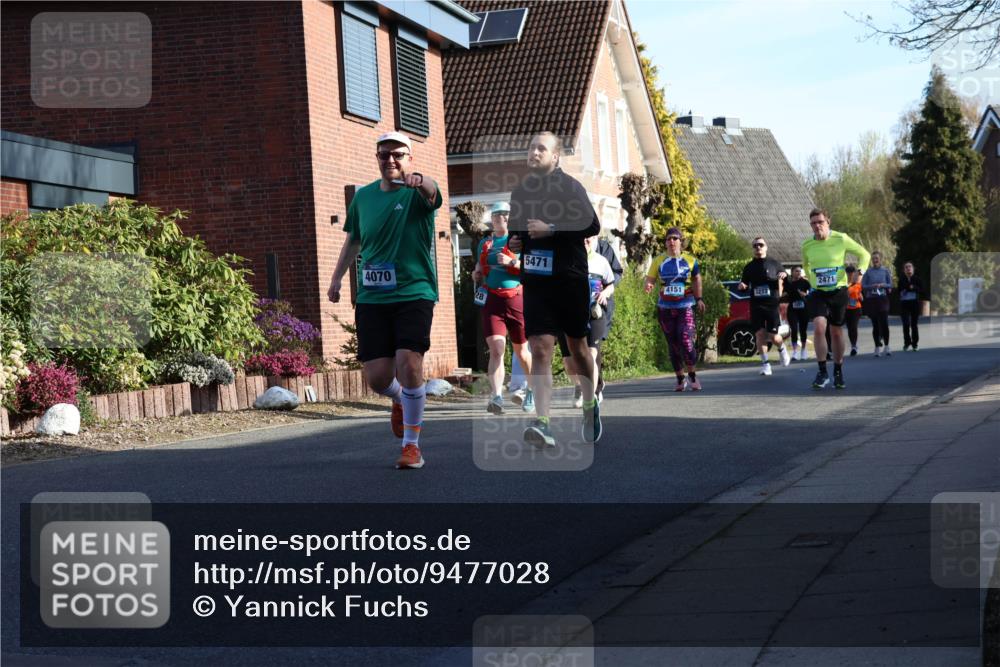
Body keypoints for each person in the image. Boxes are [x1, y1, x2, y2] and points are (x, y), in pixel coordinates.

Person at [327, 132, 442, 469]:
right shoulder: (363, 197)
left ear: (410, 158)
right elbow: (354, 240)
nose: (390, 160)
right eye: (384, 154)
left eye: (398, 154)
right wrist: (336, 279)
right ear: (377, 158)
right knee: (377, 377)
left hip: (414, 292)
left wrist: (418, 181)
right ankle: (399, 399)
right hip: (373, 296)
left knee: (409, 363)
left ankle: (411, 446)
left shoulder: (417, 194)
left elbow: (433, 192)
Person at [507, 132, 603, 447]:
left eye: (541, 148)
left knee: (577, 350)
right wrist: (515, 240)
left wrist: (553, 230)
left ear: (556, 156)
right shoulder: (521, 192)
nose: (534, 152)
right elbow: (516, 230)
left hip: (569, 278)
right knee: (540, 350)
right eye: (531, 147)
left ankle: (591, 403)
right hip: (536, 281)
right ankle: (543, 422)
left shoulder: (570, 187)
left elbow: (592, 225)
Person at [471, 201, 534, 415]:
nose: (502, 219)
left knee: (522, 351)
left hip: (516, 298)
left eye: (506, 215)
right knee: (497, 349)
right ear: (492, 219)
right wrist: (476, 273)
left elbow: (529, 266)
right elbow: (479, 266)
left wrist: (511, 262)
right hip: (492, 300)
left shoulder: (517, 241)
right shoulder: (485, 243)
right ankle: (496, 396)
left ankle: (532, 390)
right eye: (497, 215)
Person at [801, 208, 871, 390]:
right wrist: (812, 279)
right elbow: (806, 265)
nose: (817, 226)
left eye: (820, 222)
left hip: (838, 291)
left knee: (836, 332)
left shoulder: (841, 238)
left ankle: (838, 370)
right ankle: (822, 371)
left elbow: (865, 254)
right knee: (818, 327)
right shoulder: (807, 244)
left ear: (828, 222)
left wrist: (860, 272)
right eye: (813, 223)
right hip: (818, 292)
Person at [645, 227, 705, 391]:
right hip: (665, 307)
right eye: (668, 239)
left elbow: (697, 279)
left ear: (681, 241)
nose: (671, 242)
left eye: (674, 238)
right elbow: (650, 278)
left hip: (685, 305)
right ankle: (680, 378)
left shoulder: (691, 260)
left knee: (685, 339)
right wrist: (649, 285)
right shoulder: (658, 261)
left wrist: (699, 299)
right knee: (673, 344)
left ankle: (692, 375)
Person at [565, 236, 623, 406]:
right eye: (581, 236)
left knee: (592, 352)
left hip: (597, 311)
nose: (584, 239)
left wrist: (605, 292)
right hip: (573, 313)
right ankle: (582, 385)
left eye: (588, 236)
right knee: (572, 359)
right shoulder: (569, 256)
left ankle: (592, 394)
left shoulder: (603, 256)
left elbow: (614, 277)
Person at [738, 236, 789, 376]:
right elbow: (744, 284)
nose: (758, 247)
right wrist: (742, 286)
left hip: (771, 304)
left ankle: (782, 348)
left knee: (774, 337)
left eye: (760, 245)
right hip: (756, 304)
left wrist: (784, 275)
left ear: (766, 247)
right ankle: (766, 365)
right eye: (755, 246)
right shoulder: (749, 267)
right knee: (760, 334)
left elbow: (784, 277)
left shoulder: (774, 263)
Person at [862, 251, 893, 357]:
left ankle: (887, 346)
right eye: (873, 258)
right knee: (875, 324)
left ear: (880, 259)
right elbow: (863, 286)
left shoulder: (885, 271)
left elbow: (890, 285)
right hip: (872, 299)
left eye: (877, 258)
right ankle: (877, 347)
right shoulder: (868, 272)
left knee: (884, 323)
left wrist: (882, 285)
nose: (875, 260)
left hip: (883, 299)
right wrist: (872, 286)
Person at [784, 265, 811, 360]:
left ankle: (803, 350)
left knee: (803, 330)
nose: (798, 272)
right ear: (792, 272)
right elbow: (783, 293)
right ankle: (795, 351)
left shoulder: (805, 282)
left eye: (800, 271)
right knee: (794, 329)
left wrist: (806, 294)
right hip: (792, 309)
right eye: (796, 271)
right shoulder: (788, 283)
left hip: (804, 309)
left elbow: (811, 292)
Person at [898, 261, 925, 351]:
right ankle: (907, 342)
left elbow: (922, 290)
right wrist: (907, 289)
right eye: (906, 267)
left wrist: (914, 288)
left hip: (914, 303)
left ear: (913, 269)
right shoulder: (901, 280)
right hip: (904, 304)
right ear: (904, 270)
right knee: (905, 324)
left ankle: (915, 343)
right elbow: (899, 290)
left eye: (910, 267)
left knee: (914, 324)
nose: (908, 268)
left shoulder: (917, 279)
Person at [845, 266, 863, 356]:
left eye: (852, 273)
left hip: (856, 308)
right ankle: (853, 344)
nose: (850, 275)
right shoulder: (844, 284)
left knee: (853, 327)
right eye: (849, 273)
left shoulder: (857, 284)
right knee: (849, 328)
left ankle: (854, 346)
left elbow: (858, 294)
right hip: (846, 309)